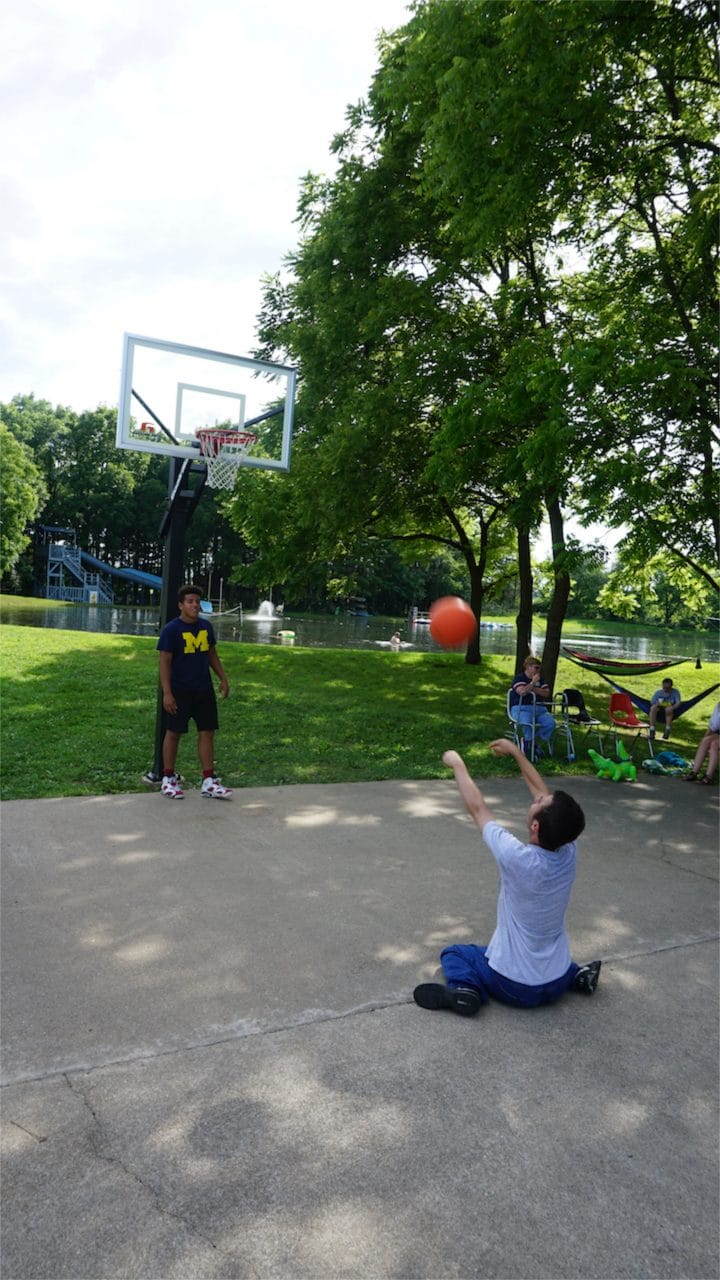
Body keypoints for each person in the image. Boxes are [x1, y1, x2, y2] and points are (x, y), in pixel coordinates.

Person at [413, 739, 601, 1017]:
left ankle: (466, 989)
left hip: (516, 987)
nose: (538, 797)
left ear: (535, 826)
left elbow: (478, 809)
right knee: (544, 954)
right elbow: (542, 795)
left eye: (539, 802)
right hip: (557, 980)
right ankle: (577, 976)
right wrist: (516, 753)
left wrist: (457, 764)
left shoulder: (518, 859)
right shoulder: (568, 848)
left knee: (455, 953)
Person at [157, 584, 232, 800]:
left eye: (197, 602)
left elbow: (211, 654)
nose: (195, 605)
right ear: (181, 605)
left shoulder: (205, 627)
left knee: (207, 732)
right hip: (180, 690)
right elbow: (164, 662)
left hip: (203, 690)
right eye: (190, 601)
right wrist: (167, 693)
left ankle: (209, 781)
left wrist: (223, 679)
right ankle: (168, 779)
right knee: (174, 733)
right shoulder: (172, 630)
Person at [508, 655, 556, 757]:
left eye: (539, 668)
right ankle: (528, 745)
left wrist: (531, 688)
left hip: (540, 709)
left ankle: (532, 743)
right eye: (536, 667)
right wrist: (533, 683)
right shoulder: (519, 678)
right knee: (527, 721)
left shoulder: (541, 680)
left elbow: (546, 693)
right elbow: (522, 692)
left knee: (550, 723)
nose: (538, 670)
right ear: (528, 667)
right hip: (521, 708)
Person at [684, 702, 720, 785]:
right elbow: (713, 726)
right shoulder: (719, 706)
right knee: (705, 741)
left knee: (714, 744)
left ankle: (709, 777)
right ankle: (694, 772)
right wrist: (704, 738)